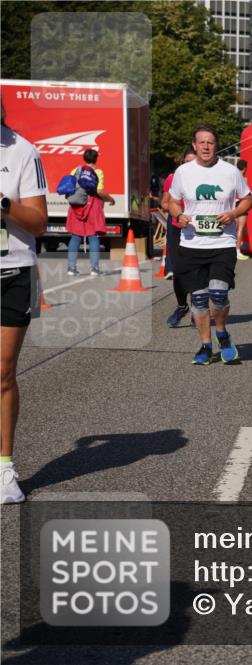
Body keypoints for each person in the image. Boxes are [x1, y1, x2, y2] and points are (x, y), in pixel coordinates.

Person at [167, 125, 252, 365]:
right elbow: (172, 201)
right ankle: (206, 345)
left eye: (211, 142)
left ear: (216, 146)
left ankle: (222, 333)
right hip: (192, 244)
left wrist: (234, 213)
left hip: (222, 243)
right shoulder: (183, 172)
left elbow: (248, 198)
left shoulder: (230, 172)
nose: (206, 146)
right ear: (194, 146)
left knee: (218, 294)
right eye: (201, 142)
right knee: (198, 300)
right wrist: (179, 215)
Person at [1, 103, 49, 503]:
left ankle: (4, 468)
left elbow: (37, 223)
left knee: (2, 372)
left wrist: (3, 205)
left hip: (10, 272)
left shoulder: (22, 151)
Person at [65, 149, 114, 276]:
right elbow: (100, 191)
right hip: (92, 206)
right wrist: (110, 199)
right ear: (96, 159)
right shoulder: (98, 172)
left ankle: (71, 268)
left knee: (75, 236)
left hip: (77, 206)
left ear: (84, 158)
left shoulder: (76, 170)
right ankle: (94, 269)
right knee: (93, 236)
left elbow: (70, 186)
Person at [163, 146, 197, 327]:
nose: (190, 167)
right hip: (178, 227)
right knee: (179, 272)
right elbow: (165, 203)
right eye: (187, 162)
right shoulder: (173, 178)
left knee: (198, 272)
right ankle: (182, 305)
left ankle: (197, 310)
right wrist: (179, 212)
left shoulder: (206, 178)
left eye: (194, 163)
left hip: (198, 230)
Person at [235, 159, 250, 261]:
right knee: (240, 228)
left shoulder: (232, 177)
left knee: (234, 228)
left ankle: (238, 248)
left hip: (232, 204)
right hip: (241, 203)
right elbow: (246, 194)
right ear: (245, 168)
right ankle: (238, 251)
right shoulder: (243, 179)